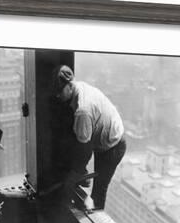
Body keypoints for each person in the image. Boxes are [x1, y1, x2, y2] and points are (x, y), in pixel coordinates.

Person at [51, 65, 126, 211]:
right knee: (79, 170)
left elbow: (84, 150)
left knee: (99, 190)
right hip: (103, 136)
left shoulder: (83, 111)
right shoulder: (79, 87)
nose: (58, 96)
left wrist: (75, 174)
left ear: (69, 85)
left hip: (113, 146)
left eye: (60, 91)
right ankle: (82, 175)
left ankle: (96, 216)